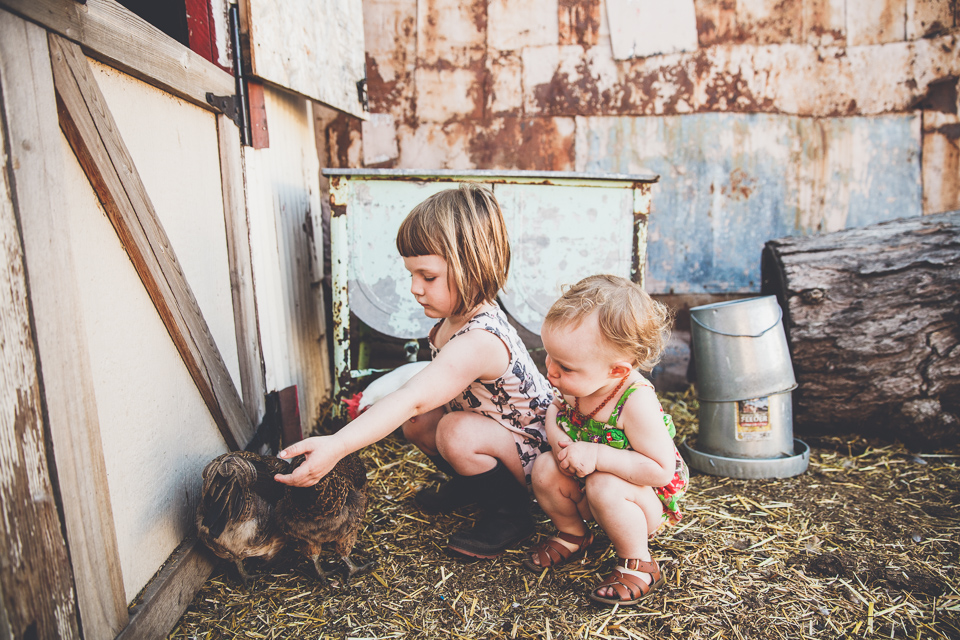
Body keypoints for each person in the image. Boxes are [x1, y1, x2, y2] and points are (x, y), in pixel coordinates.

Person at [275, 183, 553, 558]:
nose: (414, 288)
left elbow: (413, 397)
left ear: (471, 265)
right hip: (497, 433)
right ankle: (476, 485)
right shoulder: (453, 319)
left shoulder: (480, 339)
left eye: (428, 276)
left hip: (536, 455)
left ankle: (511, 513)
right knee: (420, 425)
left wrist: (337, 445)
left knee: (453, 430)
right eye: (411, 274)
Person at [522, 274, 689, 605]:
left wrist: (597, 457)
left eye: (564, 367)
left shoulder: (634, 401)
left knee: (604, 484)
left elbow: (659, 469)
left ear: (616, 371)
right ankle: (573, 534)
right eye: (548, 355)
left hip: (639, 504)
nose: (551, 372)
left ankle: (638, 562)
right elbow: (555, 408)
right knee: (543, 467)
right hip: (589, 488)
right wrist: (557, 440)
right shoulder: (578, 382)